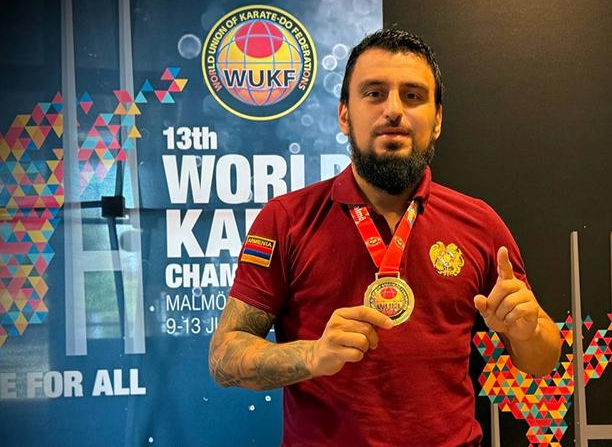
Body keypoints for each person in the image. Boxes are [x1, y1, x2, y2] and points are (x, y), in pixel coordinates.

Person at [208, 28, 560, 446]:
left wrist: (526, 332)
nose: (393, 110)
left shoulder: (479, 223)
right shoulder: (286, 220)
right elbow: (224, 356)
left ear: (438, 119)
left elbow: (543, 360)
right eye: (374, 94)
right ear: (344, 115)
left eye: (412, 96)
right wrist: (312, 355)